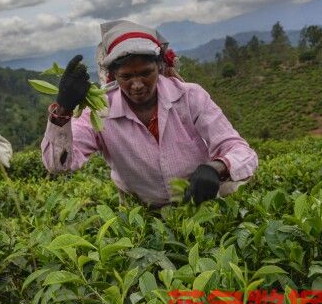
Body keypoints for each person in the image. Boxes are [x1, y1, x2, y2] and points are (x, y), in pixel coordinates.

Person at [41, 20, 258, 208]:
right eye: (126, 76)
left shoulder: (190, 97)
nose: (137, 85)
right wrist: (64, 109)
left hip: (201, 206)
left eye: (146, 73)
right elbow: (58, 165)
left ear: (160, 67)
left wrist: (216, 168)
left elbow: (241, 151)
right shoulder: (100, 113)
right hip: (142, 215)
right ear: (113, 75)